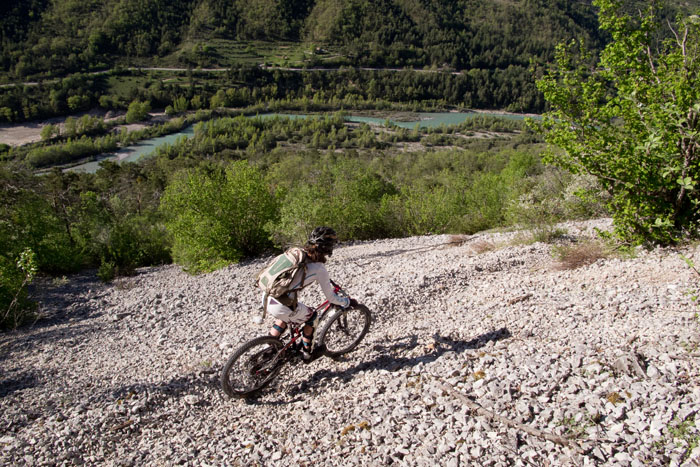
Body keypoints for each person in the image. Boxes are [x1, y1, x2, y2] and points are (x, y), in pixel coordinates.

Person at [265, 226, 357, 361]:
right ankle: (308, 353)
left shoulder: (297, 253)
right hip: (282, 305)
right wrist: (348, 302)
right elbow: (331, 298)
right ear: (328, 248)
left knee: (286, 315)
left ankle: (270, 345)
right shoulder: (319, 269)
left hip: (269, 296)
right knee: (313, 316)